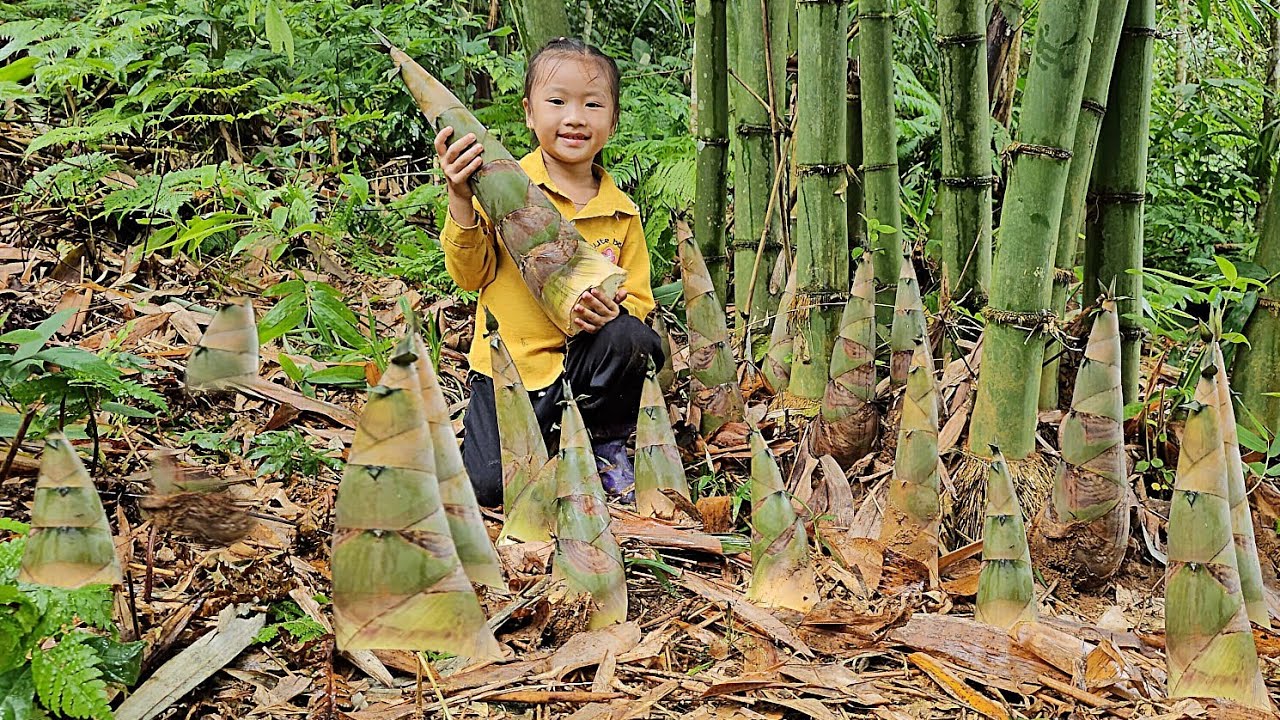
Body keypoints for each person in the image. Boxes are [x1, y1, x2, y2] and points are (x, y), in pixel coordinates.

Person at [434, 37, 662, 506]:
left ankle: (602, 445)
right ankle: (549, 447)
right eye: (557, 102)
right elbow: (469, 276)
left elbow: (640, 299)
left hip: (585, 365)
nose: (574, 117)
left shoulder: (621, 212)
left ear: (612, 120)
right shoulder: (503, 187)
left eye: (593, 104)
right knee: (490, 488)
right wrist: (460, 197)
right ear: (529, 113)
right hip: (512, 369)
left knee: (635, 341)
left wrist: (614, 307)